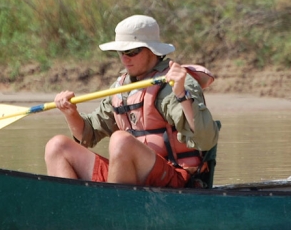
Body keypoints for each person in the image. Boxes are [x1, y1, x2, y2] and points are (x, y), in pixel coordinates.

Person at [44, 15, 219, 188]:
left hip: (174, 178)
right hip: (131, 179)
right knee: (57, 146)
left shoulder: (176, 82)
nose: (125, 58)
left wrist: (181, 93)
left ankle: (115, 209)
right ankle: (70, 210)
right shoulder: (120, 86)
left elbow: (205, 140)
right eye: (121, 52)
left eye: (131, 52)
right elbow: (87, 136)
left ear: (152, 50)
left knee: (120, 140)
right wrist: (70, 113)